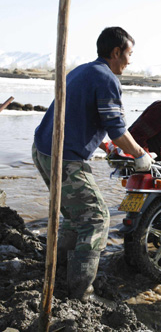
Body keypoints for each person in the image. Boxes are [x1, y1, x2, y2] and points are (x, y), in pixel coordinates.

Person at [32, 27, 153, 301]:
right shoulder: (107, 78)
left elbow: (80, 117)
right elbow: (117, 128)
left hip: (42, 150)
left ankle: (60, 268)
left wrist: (106, 146)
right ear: (116, 52)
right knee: (97, 217)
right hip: (62, 158)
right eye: (129, 54)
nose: (130, 61)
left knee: (78, 215)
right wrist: (139, 155)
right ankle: (81, 292)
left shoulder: (82, 71)